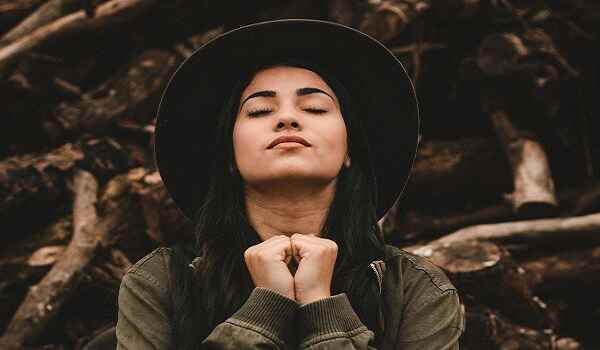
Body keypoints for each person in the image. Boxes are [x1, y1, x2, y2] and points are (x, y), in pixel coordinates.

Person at [115, 19, 465, 349]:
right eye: (259, 111)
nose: (286, 118)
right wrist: (266, 309)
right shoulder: (161, 282)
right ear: (229, 159)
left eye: (313, 108)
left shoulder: (415, 289)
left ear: (349, 151)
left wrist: (321, 307)